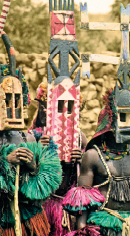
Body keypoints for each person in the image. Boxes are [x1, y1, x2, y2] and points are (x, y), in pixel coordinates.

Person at [0, 32, 62, 236]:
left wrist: (33, 166)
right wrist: (3, 162)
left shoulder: (28, 137)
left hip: (27, 219)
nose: (13, 107)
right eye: (7, 100)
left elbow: (44, 185)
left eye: (17, 100)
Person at [63, 61, 130, 236]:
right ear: (110, 122)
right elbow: (83, 202)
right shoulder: (92, 156)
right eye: (123, 118)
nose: (128, 125)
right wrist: (82, 232)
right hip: (102, 225)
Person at [29, 81, 88, 236]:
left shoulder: (80, 138)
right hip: (41, 205)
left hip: (67, 206)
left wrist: (81, 159)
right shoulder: (33, 136)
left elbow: (88, 177)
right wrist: (37, 149)